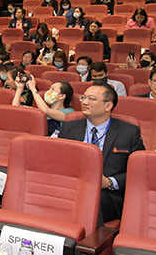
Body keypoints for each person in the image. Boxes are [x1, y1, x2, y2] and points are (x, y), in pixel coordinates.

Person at [59, 83, 144, 222]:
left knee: (91, 200)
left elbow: (139, 171)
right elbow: (58, 162)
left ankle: (85, 236)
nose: (85, 102)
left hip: (107, 194)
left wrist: (110, 182)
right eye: (83, 97)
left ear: (108, 106)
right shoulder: (69, 128)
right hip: (73, 188)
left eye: (91, 99)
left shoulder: (129, 132)